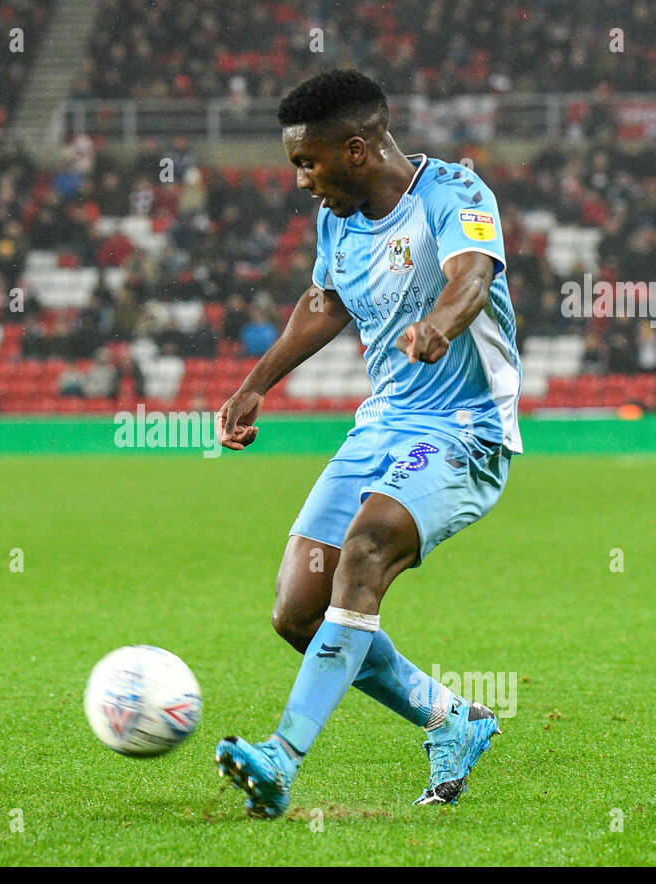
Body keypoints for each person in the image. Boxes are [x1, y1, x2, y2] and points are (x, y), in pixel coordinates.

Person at [213, 70, 521, 817]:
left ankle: (281, 758)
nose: (302, 182)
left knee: (366, 546)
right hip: (380, 427)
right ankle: (455, 717)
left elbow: (471, 276)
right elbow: (326, 302)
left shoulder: (455, 194)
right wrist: (258, 382)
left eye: (307, 164)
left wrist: (438, 328)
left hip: (463, 430)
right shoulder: (338, 218)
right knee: (296, 610)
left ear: (355, 150)